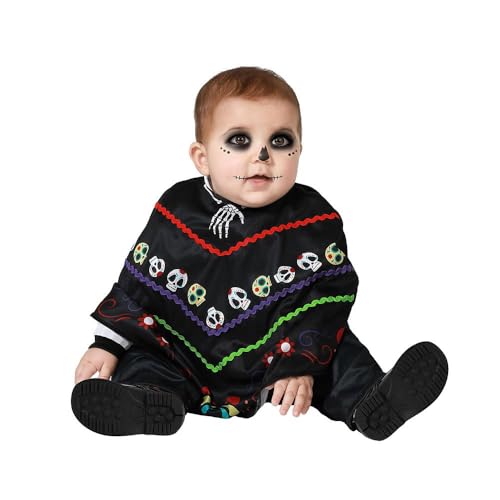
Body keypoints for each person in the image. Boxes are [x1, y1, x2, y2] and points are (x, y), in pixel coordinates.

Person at [71, 66, 448, 440]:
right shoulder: (178, 208)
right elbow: (141, 282)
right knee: (145, 358)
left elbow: (328, 296)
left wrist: (298, 362)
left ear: (300, 150)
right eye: (239, 140)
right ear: (202, 157)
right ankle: (146, 400)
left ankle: (373, 401)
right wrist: (108, 343)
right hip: (182, 352)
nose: (263, 155)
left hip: (278, 352)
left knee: (336, 352)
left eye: (281, 141)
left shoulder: (312, 218)